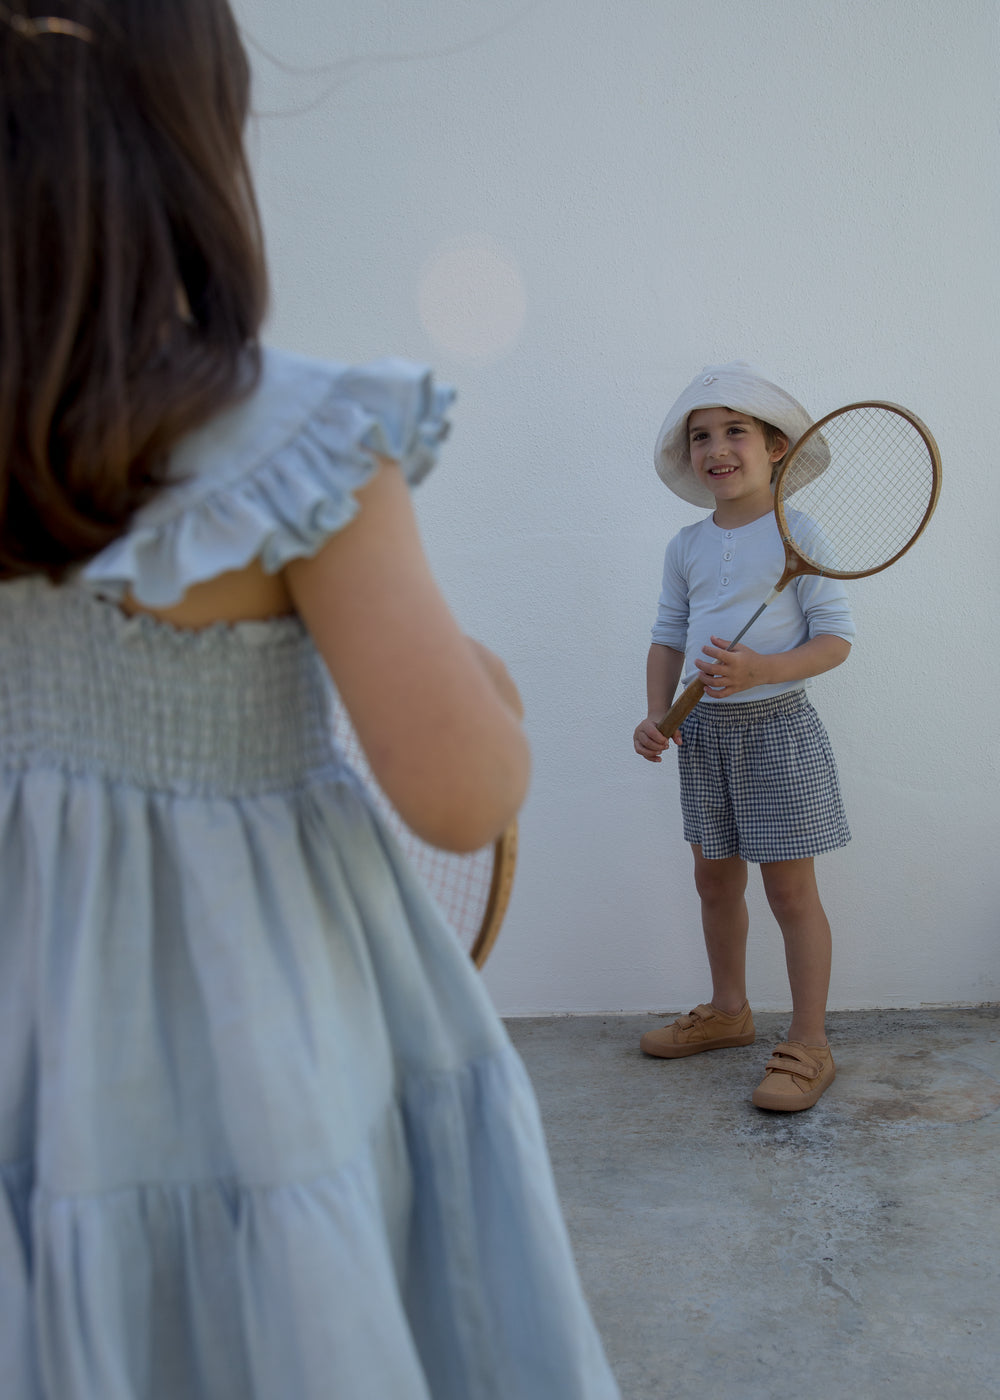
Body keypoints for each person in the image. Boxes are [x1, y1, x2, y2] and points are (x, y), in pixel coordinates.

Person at [0, 3, 620, 1396]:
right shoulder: (298, 436)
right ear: (194, 150)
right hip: (255, 1032)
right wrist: (488, 693)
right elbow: (460, 791)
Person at [633, 362, 855, 1112]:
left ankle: (810, 1043)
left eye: (736, 431)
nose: (716, 447)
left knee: (790, 891)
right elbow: (667, 634)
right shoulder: (686, 544)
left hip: (777, 734)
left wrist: (762, 669)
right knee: (714, 879)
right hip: (703, 738)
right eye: (701, 436)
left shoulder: (803, 534)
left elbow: (835, 642)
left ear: (778, 448)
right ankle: (729, 1012)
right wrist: (660, 713)